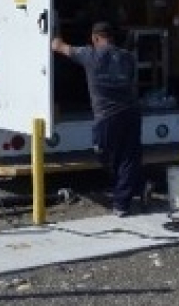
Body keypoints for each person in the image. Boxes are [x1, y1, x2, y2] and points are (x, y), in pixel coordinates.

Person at [52, 21, 143, 216]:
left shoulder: (90, 54)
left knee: (104, 154)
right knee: (128, 159)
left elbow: (58, 47)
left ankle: (123, 198)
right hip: (131, 113)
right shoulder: (128, 57)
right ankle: (122, 204)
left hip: (107, 116)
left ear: (95, 38)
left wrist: (53, 27)